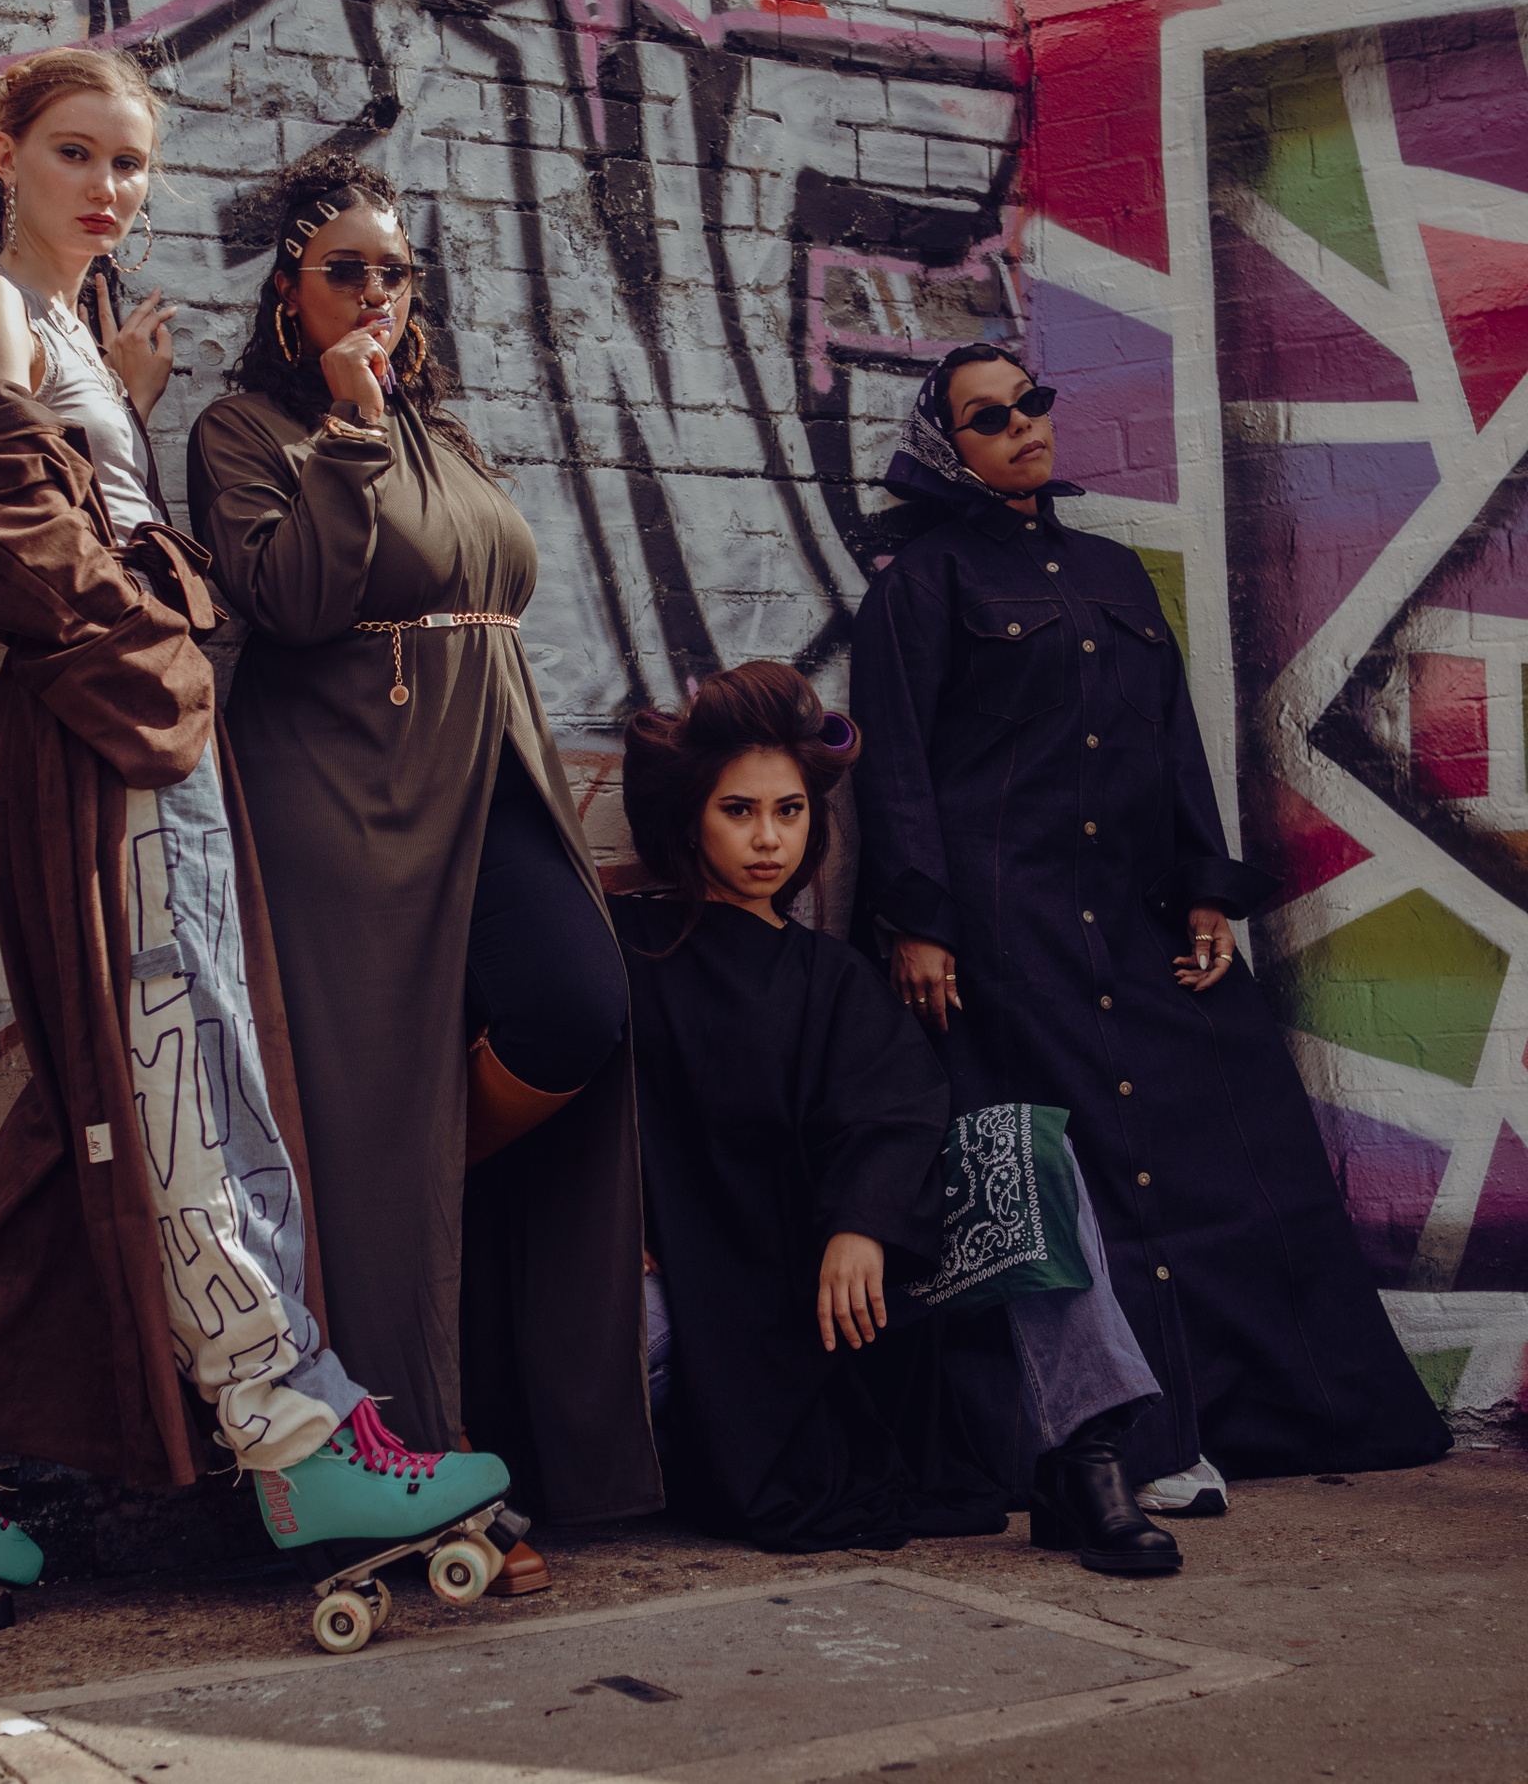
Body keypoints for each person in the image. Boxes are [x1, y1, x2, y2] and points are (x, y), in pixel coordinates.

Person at [0, 49, 509, 1601]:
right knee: (179, 1069)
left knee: (138, 1078)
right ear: (1, 152)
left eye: (131, 163)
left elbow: (73, 495)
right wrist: (159, 662)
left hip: (142, 723)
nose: (108, 188)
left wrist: (122, 419)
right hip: (114, 725)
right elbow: (15, 528)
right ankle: (294, 1438)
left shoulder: (64, 328)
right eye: (76, 152)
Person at [848, 344, 1452, 1510]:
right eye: (990, 417)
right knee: (1085, 1184)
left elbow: (1174, 741)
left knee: (1223, 1145)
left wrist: (1205, 890)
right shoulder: (920, 586)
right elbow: (899, 766)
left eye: (1032, 402)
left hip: (1134, 922)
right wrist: (917, 921)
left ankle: (1266, 1416)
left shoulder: (1114, 575)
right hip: (1007, 937)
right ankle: (1136, 1445)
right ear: (948, 450)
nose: (1025, 425)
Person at [186, 150, 660, 1590]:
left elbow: (489, 588)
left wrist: (381, 419)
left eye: (396, 271)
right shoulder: (244, 430)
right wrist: (344, 428)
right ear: (289, 288)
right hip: (350, 795)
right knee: (376, 1100)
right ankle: (404, 1469)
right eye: (348, 269)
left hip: (491, 764)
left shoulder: (436, 429)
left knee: (579, 1005)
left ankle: (400, 1201)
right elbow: (291, 598)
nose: (378, 292)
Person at [613, 661, 1181, 1573]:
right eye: (739, 811)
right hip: (693, 1286)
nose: (769, 839)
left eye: (790, 811)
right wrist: (612, 1219)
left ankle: (1088, 1455)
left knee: (1021, 1149)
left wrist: (863, 1222)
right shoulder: (627, 947)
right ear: (691, 817)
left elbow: (896, 1105)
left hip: (837, 1281)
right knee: (603, 1347)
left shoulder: (832, 974)